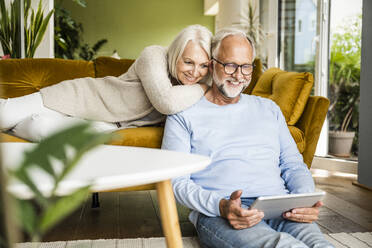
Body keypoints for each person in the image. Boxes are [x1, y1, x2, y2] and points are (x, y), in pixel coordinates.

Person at [161, 27, 334, 248]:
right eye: (230, 65)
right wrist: (221, 206)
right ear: (213, 64)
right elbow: (175, 182)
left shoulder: (269, 109)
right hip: (221, 213)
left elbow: (293, 164)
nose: (239, 75)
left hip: (281, 205)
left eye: (246, 67)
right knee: (283, 246)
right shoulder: (183, 113)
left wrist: (304, 199)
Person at [0, 25, 212, 141]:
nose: (195, 72)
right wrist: (204, 86)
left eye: (204, 66)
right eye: (188, 62)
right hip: (81, 97)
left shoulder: (188, 90)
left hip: (105, 124)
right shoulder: (155, 54)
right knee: (4, 115)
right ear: (176, 54)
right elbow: (166, 102)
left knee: (40, 128)